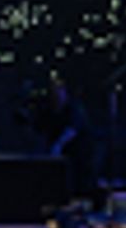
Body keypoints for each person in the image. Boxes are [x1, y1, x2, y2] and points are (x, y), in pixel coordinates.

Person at [15, 74, 102, 210]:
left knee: (82, 178)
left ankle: (93, 199)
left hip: (80, 150)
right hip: (61, 152)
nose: (55, 96)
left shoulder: (74, 108)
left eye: (58, 92)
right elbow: (40, 128)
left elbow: (73, 129)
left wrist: (58, 145)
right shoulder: (48, 110)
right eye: (53, 92)